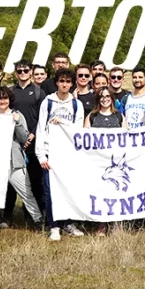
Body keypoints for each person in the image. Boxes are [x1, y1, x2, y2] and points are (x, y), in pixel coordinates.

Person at [0, 86, 43, 235]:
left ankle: (38, 220)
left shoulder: (17, 115)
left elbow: (24, 139)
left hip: (14, 162)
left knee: (26, 192)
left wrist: (18, 123)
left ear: (10, 100)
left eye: (5, 98)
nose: (2, 101)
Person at [36, 68, 86, 241]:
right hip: (51, 153)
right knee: (50, 192)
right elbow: (41, 129)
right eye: (61, 81)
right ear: (56, 82)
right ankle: (54, 225)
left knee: (69, 190)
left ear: (72, 84)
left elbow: (78, 129)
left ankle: (69, 223)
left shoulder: (76, 104)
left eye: (68, 81)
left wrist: (62, 121)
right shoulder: (47, 102)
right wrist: (41, 155)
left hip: (69, 154)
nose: (64, 84)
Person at [6, 58, 46, 227]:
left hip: (33, 143)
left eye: (26, 70)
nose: (23, 73)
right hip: (14, 143)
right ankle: (7, 216)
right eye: (19, 71)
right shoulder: (10, 91)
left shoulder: (38, 92)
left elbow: (42, 117)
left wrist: (33, 135)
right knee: (11, 183)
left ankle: (34, 215)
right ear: (16, 73)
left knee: (35, 181)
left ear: (31, 72)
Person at [85, 88, 127, 236]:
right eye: (101, 97)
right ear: (98, 99)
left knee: (117, 193)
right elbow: (84, 139)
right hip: (98, 162)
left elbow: (127, 139)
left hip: (115, 162)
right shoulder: (92, 116)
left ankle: (117, 223)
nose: (105, 99)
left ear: (112, 98)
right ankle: (101, 224)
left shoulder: (119, 116)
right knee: (100, 193)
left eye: (108, 96)